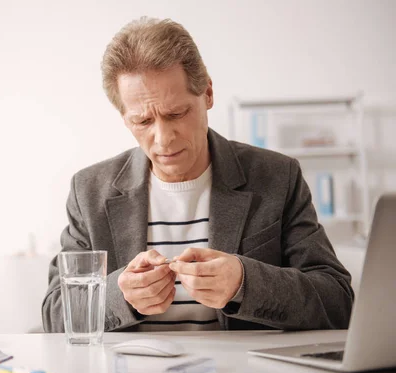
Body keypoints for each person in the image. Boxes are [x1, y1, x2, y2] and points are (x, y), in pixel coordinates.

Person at [42, 17, 354, 332]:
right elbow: (55, 315)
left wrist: (246, 283)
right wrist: (119, 297)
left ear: (207, 94)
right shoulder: (89, 191)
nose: (163, 139)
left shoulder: (277, 177)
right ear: (123, 116)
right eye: (142, 121)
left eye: (176, 114)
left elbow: (338, 302)